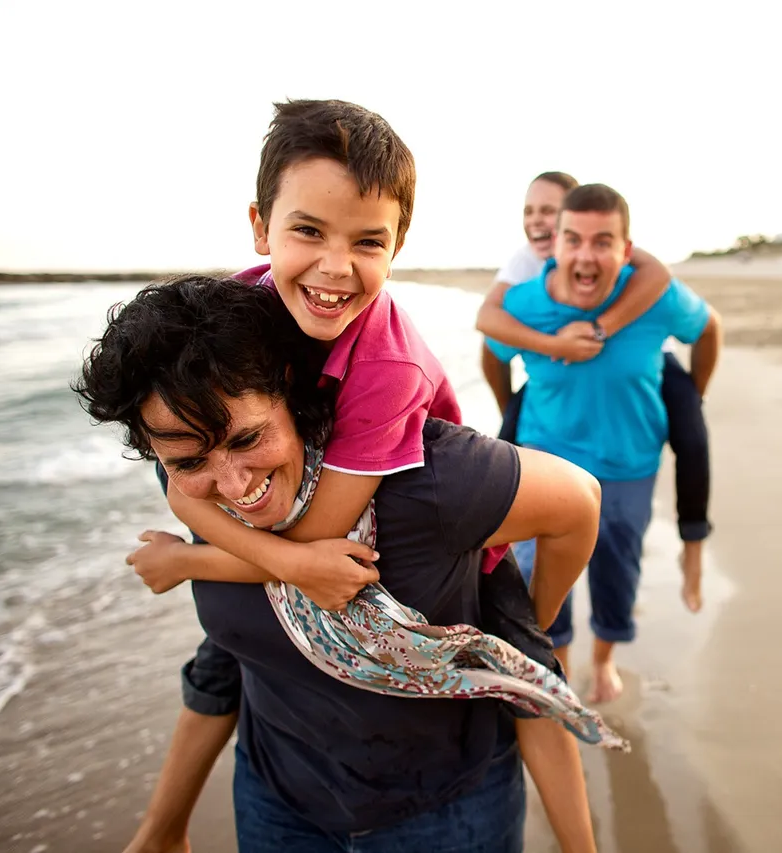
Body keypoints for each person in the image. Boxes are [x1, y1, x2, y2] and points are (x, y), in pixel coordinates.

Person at [118, 100, 595, 838]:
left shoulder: (389, 374)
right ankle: (161, 824)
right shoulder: (229, 335)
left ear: (397, 245)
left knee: (525, 663)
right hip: (281, 781)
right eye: (307, 229)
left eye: (367, 241)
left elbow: (316, 542)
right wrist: (208, 545)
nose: (335, 266)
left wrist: (193, 560)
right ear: (259, 227)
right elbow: (201, 497)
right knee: (237, 635)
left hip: (418, 506)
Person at [77, 276, 603, 852]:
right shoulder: (196, 485)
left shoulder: (429, 479)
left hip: (446, 813)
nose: (233, 483)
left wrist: (539, 616)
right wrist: (163, 826)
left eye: (249, 439)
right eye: (187, 460)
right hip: (276, 803)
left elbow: (579, 503)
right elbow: (232, 649)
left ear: (284, 386)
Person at [484, 184, 723, 703]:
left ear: (625, 249)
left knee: (618, 573)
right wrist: (509, 411)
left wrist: (694, 398)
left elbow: (708, 328)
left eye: (602, 242)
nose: (586, 256)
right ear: (558, 243)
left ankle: (604, 660)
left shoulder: (653, 298)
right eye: (574, 241)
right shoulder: (525, 304)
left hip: (628, 466)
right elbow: (492, 349)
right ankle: (560, 668)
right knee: (540, 582)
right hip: (544, 468)